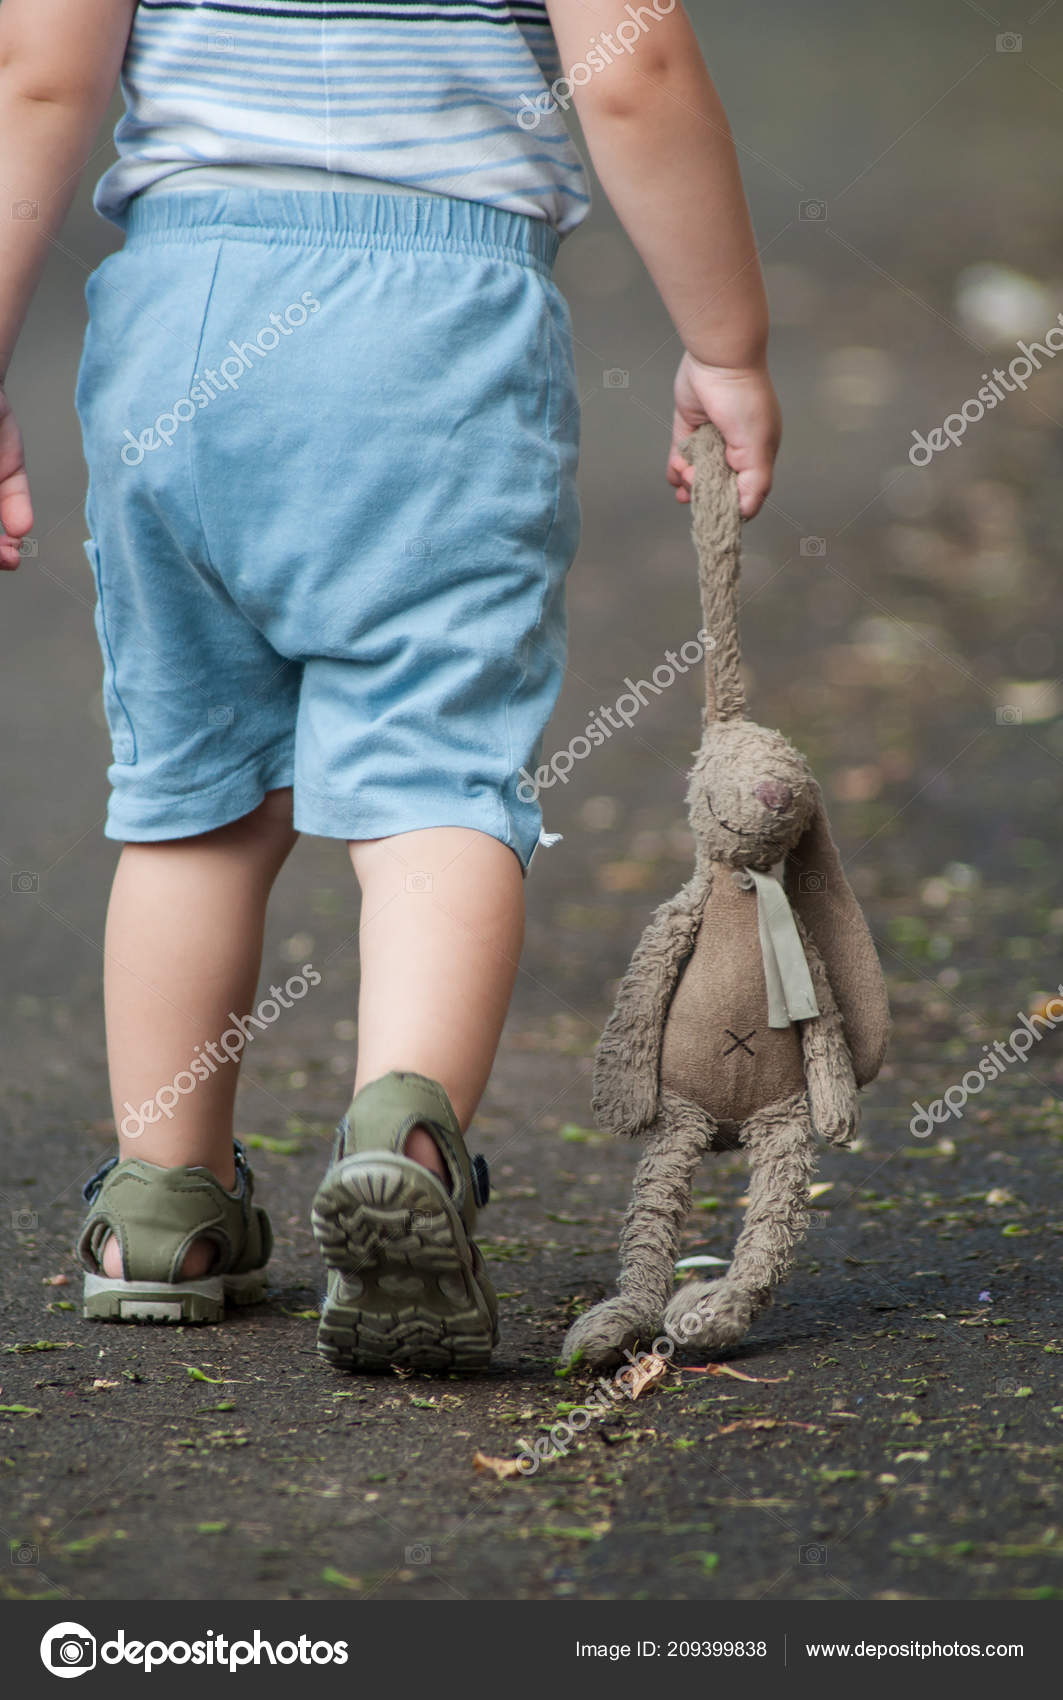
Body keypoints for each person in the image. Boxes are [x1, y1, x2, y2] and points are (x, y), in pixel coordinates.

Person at [0, 0, 780, 1371]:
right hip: (435, 335)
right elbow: (637, 68)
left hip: (180, 322)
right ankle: (403, 1146)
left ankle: (161, 1208)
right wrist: (727, 343)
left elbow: (38, 74)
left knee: (189, 792)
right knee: (432, 777)